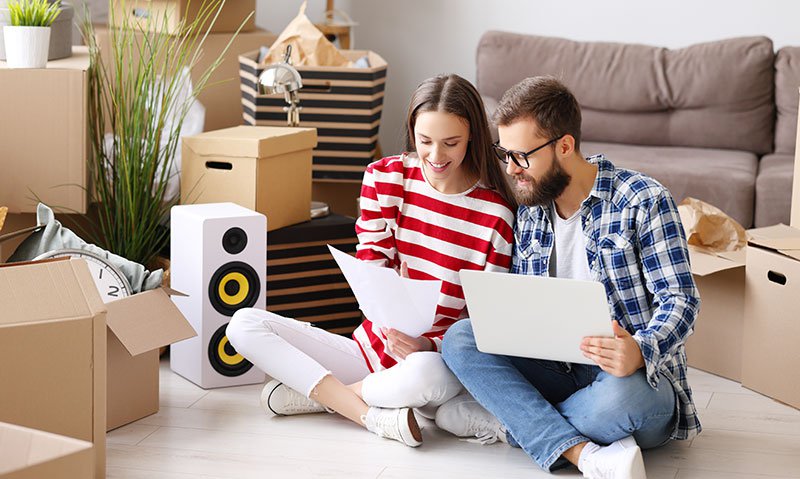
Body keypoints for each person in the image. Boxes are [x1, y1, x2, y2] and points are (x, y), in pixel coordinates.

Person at [226, 74, 516, 447]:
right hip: (371, 348)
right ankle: (371, 416)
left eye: (451, 143)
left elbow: (481, 323)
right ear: (411, 130)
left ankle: (325, 396)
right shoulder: (385, 178)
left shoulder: (495, 215)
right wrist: (388, 322)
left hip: (433, 363)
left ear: (472, 136)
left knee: (424, 378)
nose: (436, 156)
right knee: (243, 324)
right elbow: (372, 269)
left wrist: (428, 345)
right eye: (424, 141)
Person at [435, 76, 701, 479]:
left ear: (564, 145)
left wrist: (642, 350)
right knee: (461, 338)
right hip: (555, 368)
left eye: (521, 156)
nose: (511, 169)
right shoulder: (531, 208)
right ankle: (581, 449)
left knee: (620, 403)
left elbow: (681, 299)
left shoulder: (644, 199)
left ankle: (513, 423)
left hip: (628, 377)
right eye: (505, 153)